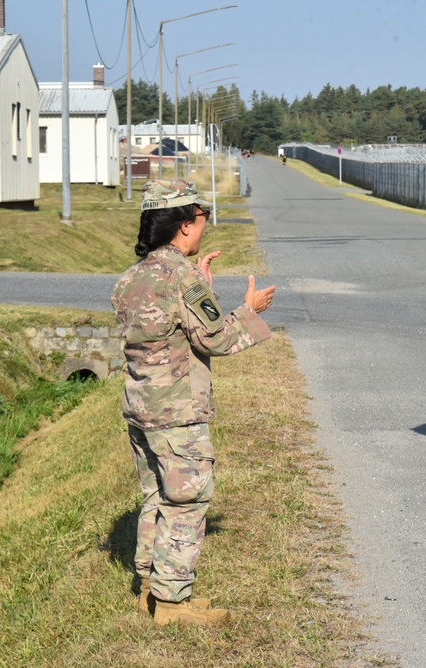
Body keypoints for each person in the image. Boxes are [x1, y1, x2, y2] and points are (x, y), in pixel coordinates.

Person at [112, 179, 276, 625]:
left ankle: (148, 586)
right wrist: (250, 309)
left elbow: (164, 329)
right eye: (202, 219)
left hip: (139, 405)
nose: (205, 226)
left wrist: (203, 288)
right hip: (177, 412)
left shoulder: (132, 276)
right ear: (184, 226)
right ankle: (171, 604)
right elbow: (218, 337)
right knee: (187, 502)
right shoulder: (181, 277)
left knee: (156, 497)